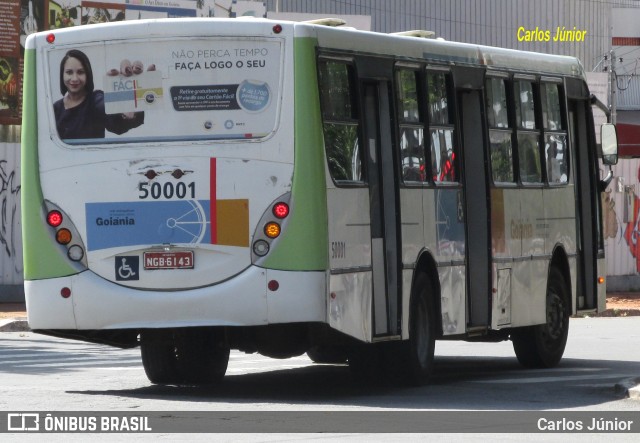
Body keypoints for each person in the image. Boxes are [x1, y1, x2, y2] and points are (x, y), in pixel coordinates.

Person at [53, 49, 144, 139]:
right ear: (62, 75)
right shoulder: (55, 109)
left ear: (88, 74)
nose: (75, 78)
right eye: (69, 72)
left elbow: (117, 124)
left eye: (80, 72)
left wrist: (126, 106)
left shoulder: (95, 100)